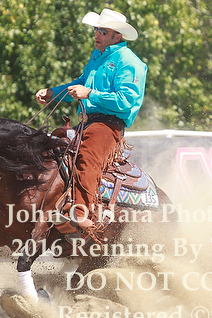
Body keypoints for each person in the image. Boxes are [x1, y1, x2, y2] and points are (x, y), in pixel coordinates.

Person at [36, 8, 147, 242]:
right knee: (51, 146)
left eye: (103, 31)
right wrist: (54, 93)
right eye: (96, 29)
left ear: (117, 35)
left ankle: (81, 214)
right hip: (88, 122)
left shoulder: (130, 62)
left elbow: (126, 100)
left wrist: (89, 94)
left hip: (109, 125)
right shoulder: (98, 55)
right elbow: (81, 82)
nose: (97, 34)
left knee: (87, 157)